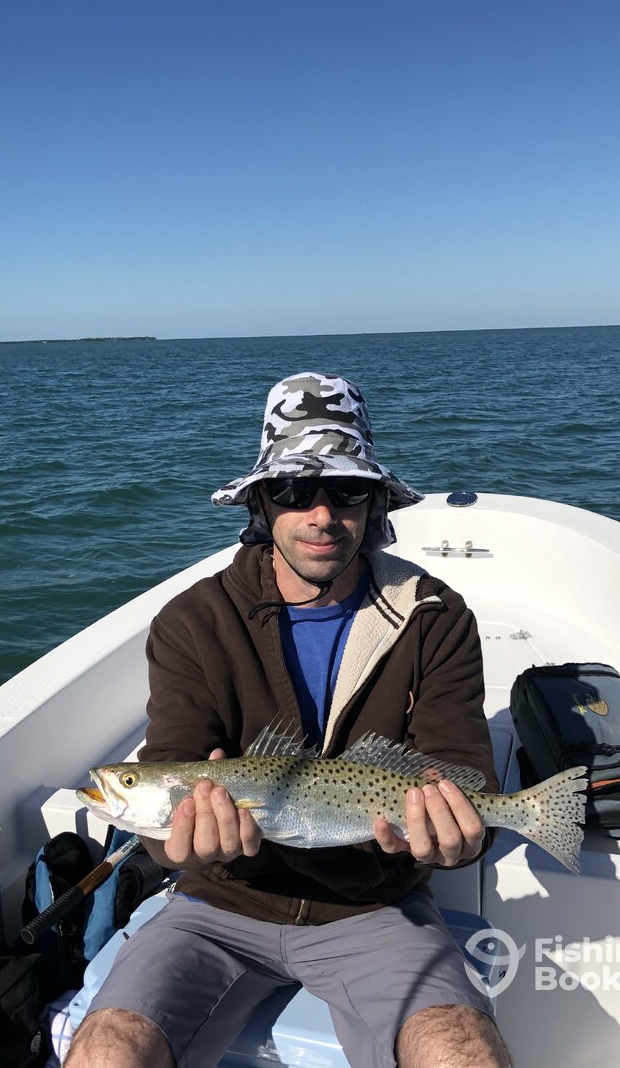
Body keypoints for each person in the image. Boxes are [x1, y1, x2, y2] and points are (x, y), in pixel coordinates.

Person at [65, 372, 512, 1068]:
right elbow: (171, 763)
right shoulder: (193, 622)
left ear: (375, 503)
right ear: (262, 501)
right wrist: (180, 847)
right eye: (296, 490)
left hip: (374, 907)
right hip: (218, 904)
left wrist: (453, 839)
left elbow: (463, 770)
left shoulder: (435, 617)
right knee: (106, 1052)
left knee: (463, 1054)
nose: (323, 514)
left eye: (348, 489)